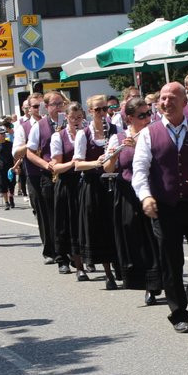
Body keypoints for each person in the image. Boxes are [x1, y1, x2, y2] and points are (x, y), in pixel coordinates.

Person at [132, 82, 188, 333]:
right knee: (171, 261)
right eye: (162, 98)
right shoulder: (149, 134)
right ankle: (179, 313)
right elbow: (140, 169)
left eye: (172, 97)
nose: (166, 102)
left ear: (184, 102)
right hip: (164, 206)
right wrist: (146, 196)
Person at [105, 97, 162, 303]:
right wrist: (112, 155)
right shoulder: (117, 137)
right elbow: (108, 169)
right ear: (129, 118)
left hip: (150, 190)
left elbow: (161, 159)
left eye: (148, 114)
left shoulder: (154, 134)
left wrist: (139, 145)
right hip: (126, 191)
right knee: (135, 238)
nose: (147, 118)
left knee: (155, 237)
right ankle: (146, 283)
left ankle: (157, 282)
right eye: (142, 115)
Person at [73, 95, 119, 288]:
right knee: (99, 229)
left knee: (117, 227)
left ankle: (121, 267)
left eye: (105, 109)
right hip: (93, 185)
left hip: (114, 184)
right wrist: (96, 162)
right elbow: (77, 164)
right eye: (98, 110)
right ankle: (107, 273)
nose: (103, 113)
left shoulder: (116, 130)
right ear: (90, 112)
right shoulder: (83, 134)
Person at [15, 91, 63, 267]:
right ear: (29, 108)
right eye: (35, 106)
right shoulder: (25, 127)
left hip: (59, 172)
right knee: (44, 213)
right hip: (36, 174)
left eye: (41, 105)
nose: (38, 108)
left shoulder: (58, 120)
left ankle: (64, 249)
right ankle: (50, 250)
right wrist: (30, 143)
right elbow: (17, 152)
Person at [51, 103, 88, 279]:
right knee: (70, 225)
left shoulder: (87, 133)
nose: (76, 121)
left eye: (79, 117)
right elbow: (56, 167)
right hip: (67, 185)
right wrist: (74, 163)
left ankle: (88, 257)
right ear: (66, 117)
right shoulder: (58, 137)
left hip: (85, 184)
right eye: (72, 118)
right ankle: (73, 263)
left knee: (85, 224)